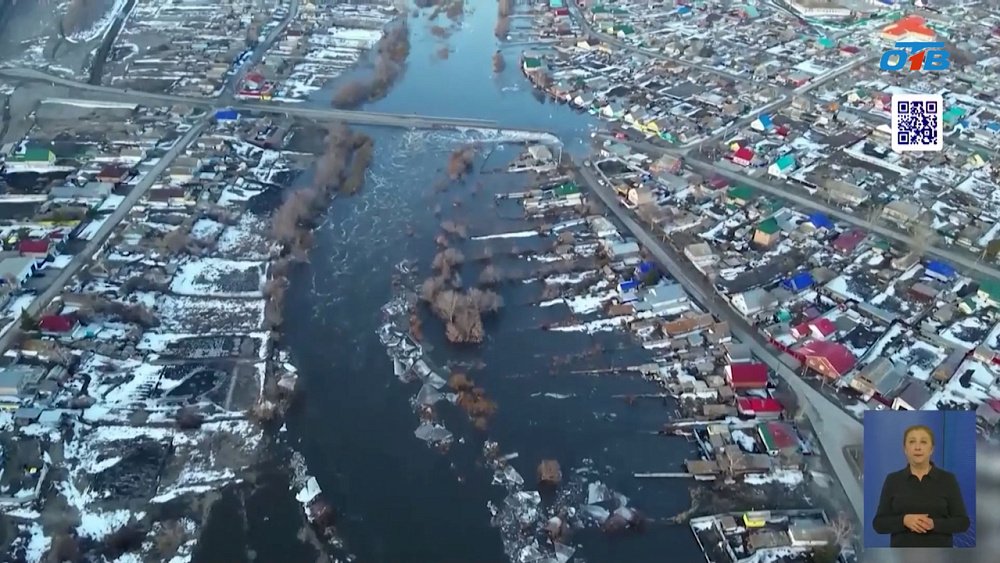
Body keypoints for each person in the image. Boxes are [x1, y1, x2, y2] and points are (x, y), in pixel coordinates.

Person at [872, 424, 970, 547]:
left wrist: (934, 524)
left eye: (923, 442)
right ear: (905, 449)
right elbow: (879, 523)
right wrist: (904, 521)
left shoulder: (947, 479)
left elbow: (963, 522)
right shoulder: (893, 480)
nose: (917, 447)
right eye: (912, 442)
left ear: (932, 449)